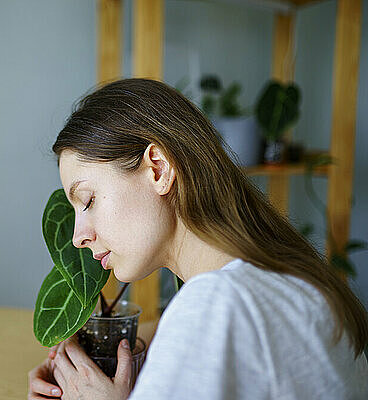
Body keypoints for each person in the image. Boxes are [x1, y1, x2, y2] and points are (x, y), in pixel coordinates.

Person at [27, 78, 368, 400]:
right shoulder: (287, 279)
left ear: (158, 169)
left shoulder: (215, 306)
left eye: (88, 200)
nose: (77, 237)